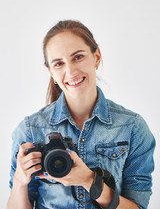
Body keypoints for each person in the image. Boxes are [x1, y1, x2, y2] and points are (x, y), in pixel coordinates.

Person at [7, 20, 155, 209]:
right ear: (51, 72)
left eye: (78, 57)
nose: (70, 71)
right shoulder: (30, 130)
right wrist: (20, 180)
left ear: (97, 57)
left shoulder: (132, 127)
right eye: (59, 63)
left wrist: (89, 180)